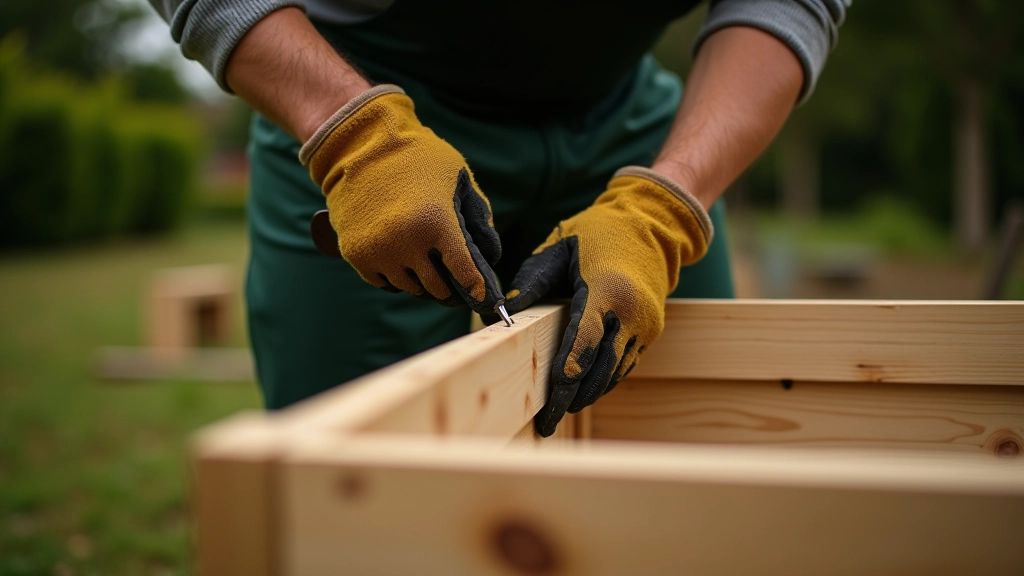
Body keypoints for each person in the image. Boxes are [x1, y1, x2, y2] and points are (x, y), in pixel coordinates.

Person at [148, 0, 848, 436]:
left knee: (695, 458)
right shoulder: (357, 130)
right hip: (359, 106)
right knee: (353, 488)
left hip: (637, 134)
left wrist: (664, 206)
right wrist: (356, 137)